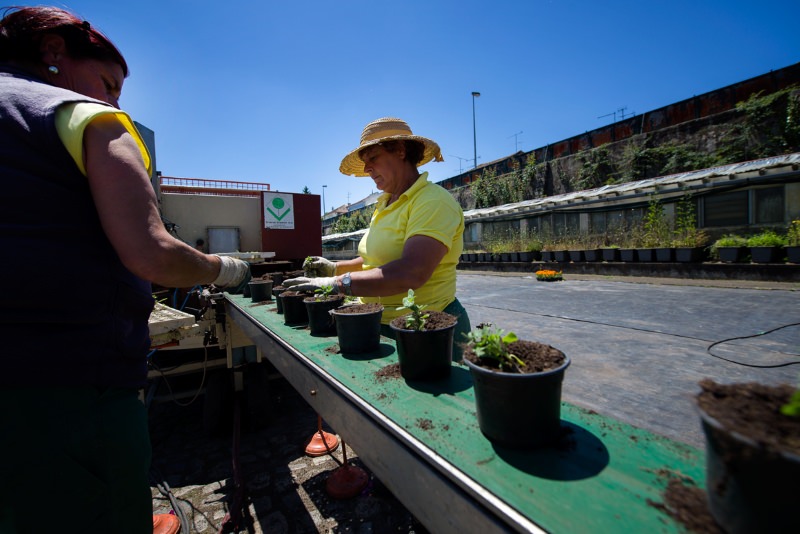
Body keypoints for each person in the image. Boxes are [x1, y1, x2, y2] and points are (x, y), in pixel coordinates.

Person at [0, 6, 250, 533]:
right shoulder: (85, 116)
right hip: (69, 386)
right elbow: (152, 252)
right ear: (52, 51)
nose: (112, 100)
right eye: (108, 82)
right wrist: (224, 269)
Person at [285, 117, 471, 358]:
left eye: (373, 158)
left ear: (401, 151)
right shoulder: (384, 204)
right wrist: (334, 269)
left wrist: (339, 284)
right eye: (364, 162)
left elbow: (412, 271)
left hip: (427, 328)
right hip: (378, 321)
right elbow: (377, 262)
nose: (366, 169)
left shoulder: (432, 201)